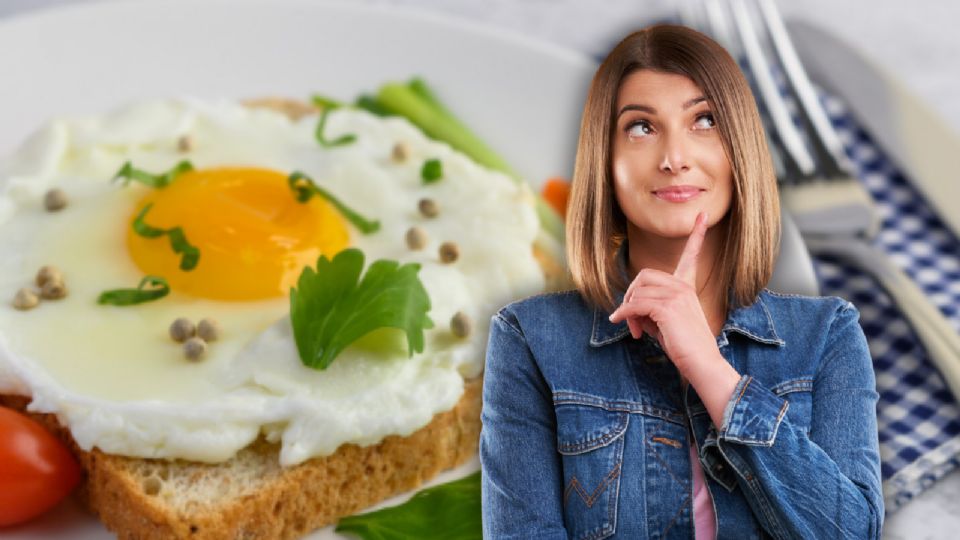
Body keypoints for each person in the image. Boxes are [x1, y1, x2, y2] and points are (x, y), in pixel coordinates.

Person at [479, 23, 883, 539]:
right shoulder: (529, 339)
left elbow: (852, 533)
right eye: (641, 128)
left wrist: (712, 372)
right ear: (606, 161)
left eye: (705, 120)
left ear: (741, 151)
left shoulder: (827, 335)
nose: (674, 158)